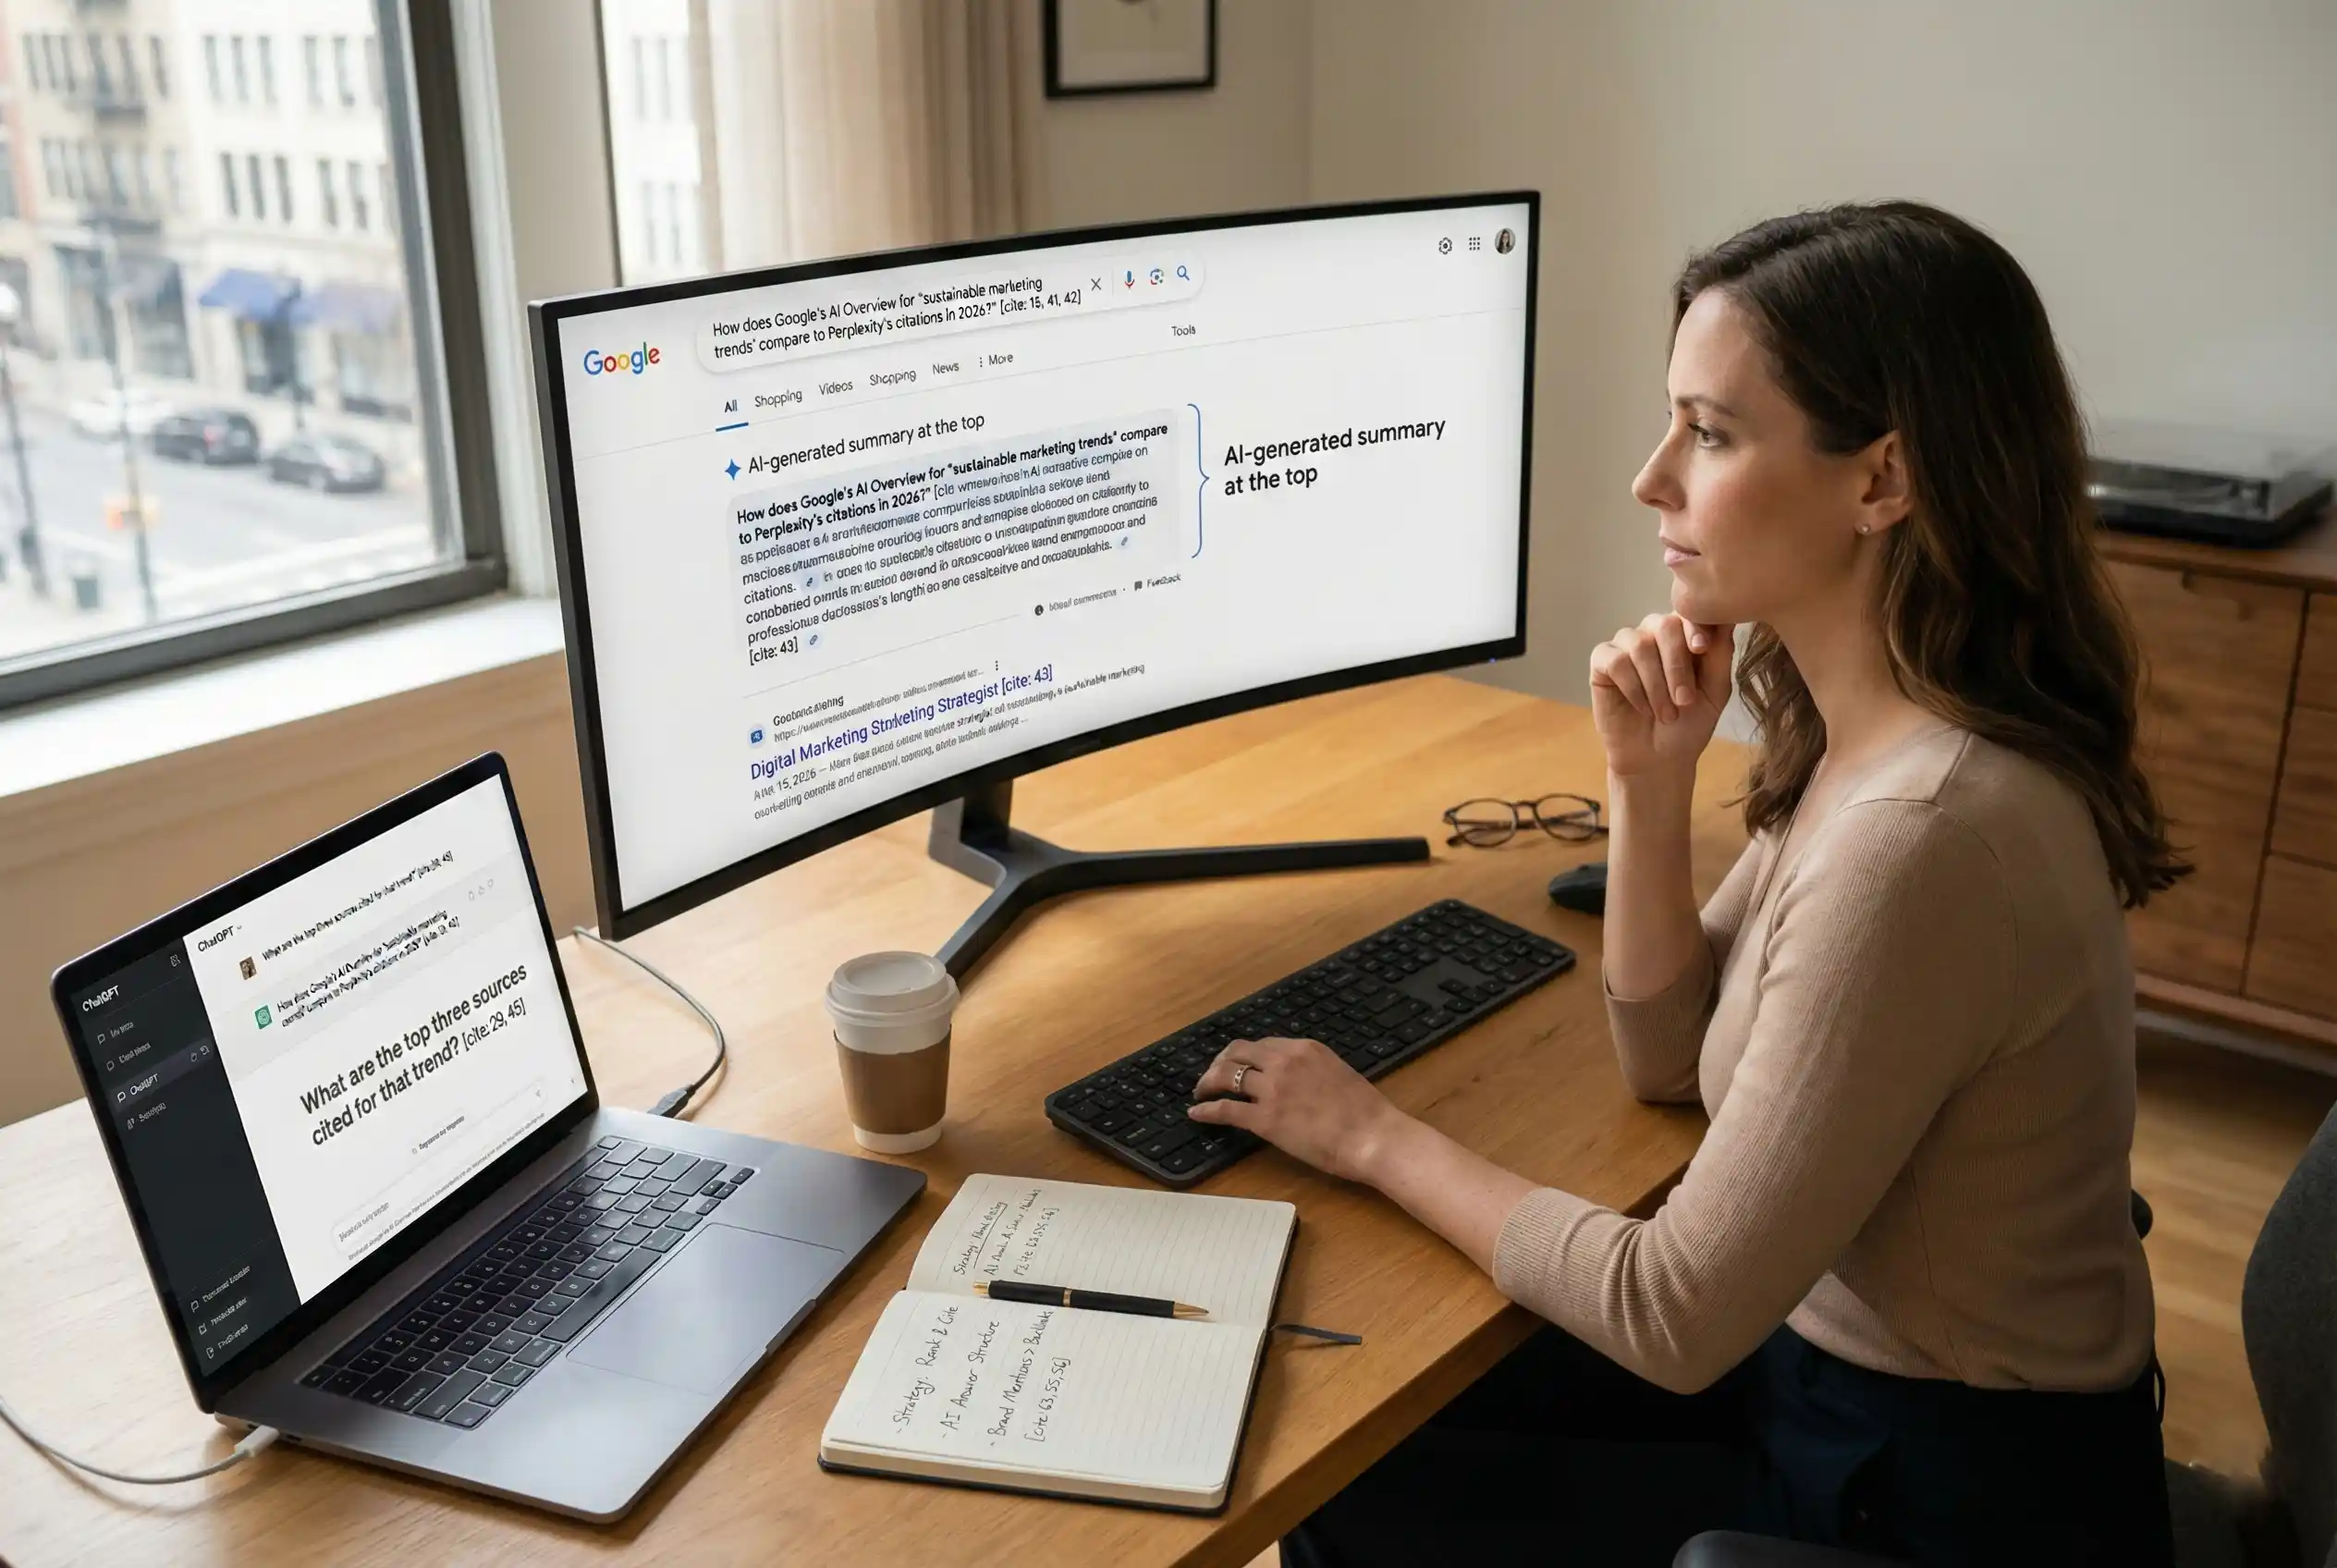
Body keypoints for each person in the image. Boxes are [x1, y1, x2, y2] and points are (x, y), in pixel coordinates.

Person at [1188, 202, 2185, 1566]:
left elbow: (1673, 1312)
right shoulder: (1875, 734)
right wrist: (1650, 787)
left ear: (1879, 480)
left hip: (1937, 1495)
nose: (1652, 479)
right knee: (1359, 1411)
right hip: (1833, 1382)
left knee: (1350, 1486)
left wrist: (1368, 1135)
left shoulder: (1925, 834)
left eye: (1711, 434)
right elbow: (1669, 1056)